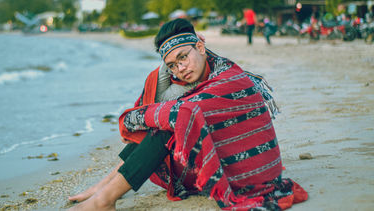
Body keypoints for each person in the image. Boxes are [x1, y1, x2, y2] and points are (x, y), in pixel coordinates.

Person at [68, 18, 308, 210]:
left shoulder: (229, 79)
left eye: (183, 57)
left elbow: (180, 113)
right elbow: (168, 105)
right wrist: (164, 75)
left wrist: (131, 117)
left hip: (250, 177)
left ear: (201, 47)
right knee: (169, 119)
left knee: (174, 123)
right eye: (172, 65)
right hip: (231, 165)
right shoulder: (200, 79)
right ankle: (103, 189)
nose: (180, 68)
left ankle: (105, 200)